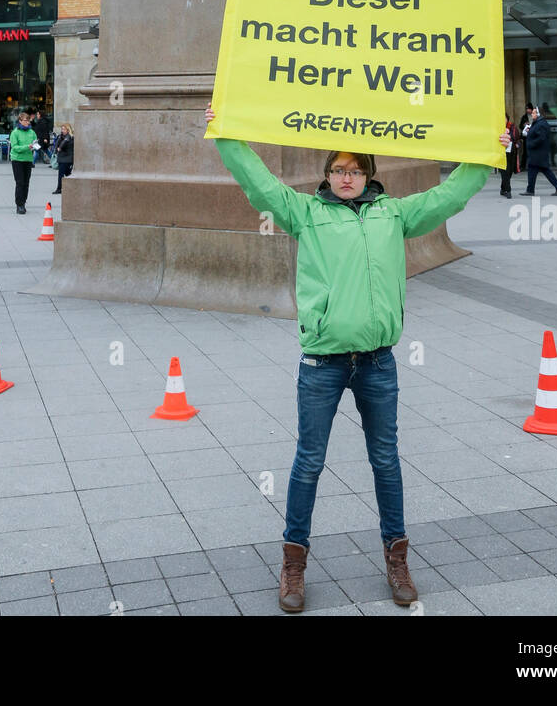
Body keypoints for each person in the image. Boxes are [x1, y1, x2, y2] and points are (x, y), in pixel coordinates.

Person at [206, 102, 510, 612]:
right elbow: (259, 184)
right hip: (322, 362)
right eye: (338, 170)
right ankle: (294, 566)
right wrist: (225, 134)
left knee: (386, 462)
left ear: (370, 175)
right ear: (327, 175)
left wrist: (486, 156)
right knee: (308, 463)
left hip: (377, 362)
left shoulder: (395, 214)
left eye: (356, 170)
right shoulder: (304, 212)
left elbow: (448, 195)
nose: (347, 178)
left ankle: (397, 559)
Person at [523, 107, 557, 196]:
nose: (532, 114)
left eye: (533, 113)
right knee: (542, 170)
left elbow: (541, 138)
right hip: (538, 154)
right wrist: (530, 131)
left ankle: (530, 190)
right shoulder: (538, 123)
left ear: (538, 114)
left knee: (535, 169)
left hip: (538, 153)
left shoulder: (541, 124)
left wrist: (531, 144)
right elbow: (537, 134)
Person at [9, 110, 40, 213]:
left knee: (26, 183)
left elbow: (35, 141)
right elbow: (15, 147)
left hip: (28, 159)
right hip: (17, 160)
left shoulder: (32, 132)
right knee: (20, 182)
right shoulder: (15, 133)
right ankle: (19, 205)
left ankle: (24, 201)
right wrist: (28, 147)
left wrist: (35, 146)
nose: (28, 122)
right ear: (20, 121)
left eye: (28, 120)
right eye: (26, 120)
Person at [500, 112, 521, 198]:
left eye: (505, 118)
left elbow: (518, 139)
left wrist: (517, 144)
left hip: (511, 154)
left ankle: (502, 188)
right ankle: (508, 191)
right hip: (501, 154)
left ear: (507, 118)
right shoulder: (498, 128)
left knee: (509, 173)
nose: (503, 120)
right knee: (504, 172)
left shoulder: (513, 127)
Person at [53, 124, 74, 194]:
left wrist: (60, 148)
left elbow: (64, 144)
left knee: (64, 174)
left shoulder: (70, 137)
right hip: (62, 158)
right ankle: (63, 188)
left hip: (67, 159)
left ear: (68, 130)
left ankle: (60, 188)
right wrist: (56, 150)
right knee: (65, 174)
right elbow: (56, 144)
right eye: (62, 129)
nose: (62, 131)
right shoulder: (61, 136)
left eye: (64, 129)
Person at [518, 102, 534, 171]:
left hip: (533, 136)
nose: (527, 110)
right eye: (526, 109)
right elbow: (520, 126)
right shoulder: (524, 117)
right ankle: (523, 166)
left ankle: (534, 166)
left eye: (529, 109)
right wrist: (524, 125)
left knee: (533, 151)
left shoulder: (534, 116)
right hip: (526, 136)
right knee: (525, 152)